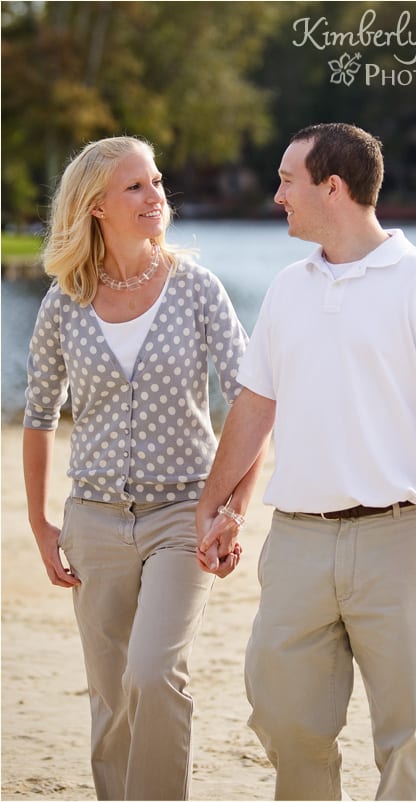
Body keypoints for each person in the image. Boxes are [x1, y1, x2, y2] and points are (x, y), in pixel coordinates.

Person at [196, 123, 416, 801]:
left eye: (285, 180)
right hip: (298, 538)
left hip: (400, 540)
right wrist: (212, 506)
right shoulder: (286, 289)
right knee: (279, 713)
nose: (277, 196)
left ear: (332, 187)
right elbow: (252, 409)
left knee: (406, 732)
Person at [22, 135, 261, 801]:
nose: (155, 195)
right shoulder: (65, 302)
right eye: (135, 186)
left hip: (182, 517)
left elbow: (250, 401)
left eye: (156, 182)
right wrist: (41, 523)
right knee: (111, 697)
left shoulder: (196, 290)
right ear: (95, 205)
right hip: (92, 521)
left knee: (154, 674)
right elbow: (38, 416)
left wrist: (234, 508)